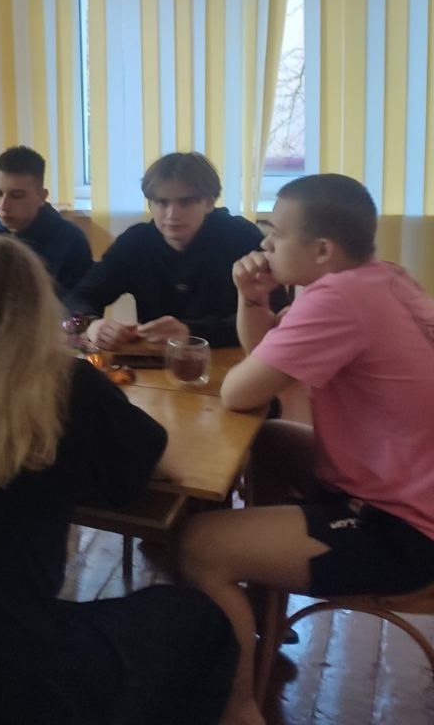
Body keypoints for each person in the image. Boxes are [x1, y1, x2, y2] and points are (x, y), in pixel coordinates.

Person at [0, 235, 237, 724]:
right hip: (19, 690)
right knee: (198, 618)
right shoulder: (65, 384)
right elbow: (154, 467)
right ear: (38, 307)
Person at [179, 174, 434, 725]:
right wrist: (252, 298)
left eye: (275, 232)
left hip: (406, 528)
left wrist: (253, 321)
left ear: (322, 250)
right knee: (268, 440)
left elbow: (239, 391)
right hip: (402, 485)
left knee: (200, 544)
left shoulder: (339, 300)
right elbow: (267, 359)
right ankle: (262, 599)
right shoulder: (377, 277)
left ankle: (239, 709)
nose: (264, 244)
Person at [67, 152, 284, 349]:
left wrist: (192, 332)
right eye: (162, 203)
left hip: (233, 359)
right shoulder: (135, 242)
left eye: (186, 202)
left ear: (209, 203)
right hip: (156, 365)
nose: (172, 214)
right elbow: (80, 296)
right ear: (150, 205)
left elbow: (276, 316)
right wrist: (91, 324)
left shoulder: (241, 238)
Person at [0, 145, 93, 292]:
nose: (4, 206)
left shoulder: (71, 241)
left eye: (17, 196)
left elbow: (78, 302)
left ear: (41, 196)